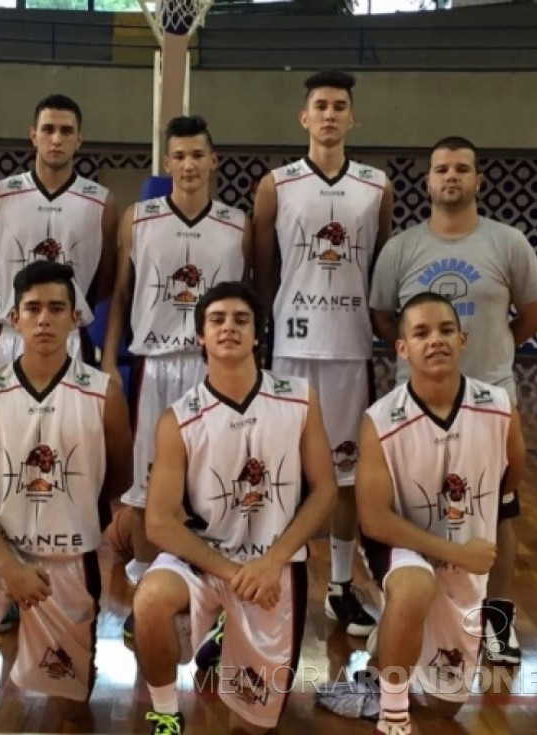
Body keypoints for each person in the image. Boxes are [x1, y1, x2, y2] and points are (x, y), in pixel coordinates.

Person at [0, 261, 133, 735]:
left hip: (68, 558)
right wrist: (10, 565)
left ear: (76, 318)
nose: (44, 319)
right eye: (32, 308)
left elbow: (117, 479)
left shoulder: (105, 395)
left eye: (56, 308)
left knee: (72, 713)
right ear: (13, 318)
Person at [369, 135, 537, 664]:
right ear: (428, 182)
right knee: (418, 508)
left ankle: (497, 621)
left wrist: (493, 353)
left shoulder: (508, 243)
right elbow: (383, 317)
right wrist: (424, 360)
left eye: (462, 169)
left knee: (497, 512)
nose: (451, 177)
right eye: (442, 169)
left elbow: (534, 312)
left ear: (477, 181)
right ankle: (410, 605)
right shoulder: (401, 247)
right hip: (416, 404)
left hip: (490, 400)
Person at [132, 281, 338, 735]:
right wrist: (234, 573)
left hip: (276, 565)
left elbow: (325, 491)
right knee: (148, 600)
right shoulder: (178, 418)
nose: (229, 328)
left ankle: (225, 636)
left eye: (241, 320)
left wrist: (273, 561)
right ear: (200, 336)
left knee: (253, 728)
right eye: (217, 320)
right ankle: (166, 712)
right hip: (206, 561)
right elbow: (160, 522)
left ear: (257, 334)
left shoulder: (300, 398)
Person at [317, 292, 525, 735]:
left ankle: (383, 652)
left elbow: (511, 478)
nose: (436, 340)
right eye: (421, 332)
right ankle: (393, 715)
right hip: (400, 545)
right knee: (415, 584)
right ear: (402, 348)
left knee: (446, 704)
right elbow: (373, 521)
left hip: (465, 562)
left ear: (463, 339)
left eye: (446, 330)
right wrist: (453, 550)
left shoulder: (500, 407)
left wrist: (468, 540)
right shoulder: (380, 419)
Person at [252, 69, 393, 635]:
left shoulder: (377, 185)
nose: (330, 115)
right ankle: (273, 573)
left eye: (339, 106)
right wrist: (273, 318)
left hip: (349, 345)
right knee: (279, 468)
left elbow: (379, 264)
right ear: (304, 118)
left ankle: (338, 586)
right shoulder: (277, 184)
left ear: (351, 118)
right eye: (320, 106)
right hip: (291, 344)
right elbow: (262, 267)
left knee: (345, 475)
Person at [102, 115, 251, 590]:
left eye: (197, 155)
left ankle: (213, 581)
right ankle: (146, 579)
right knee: (147, 485)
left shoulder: (236, 224)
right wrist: (108, 358)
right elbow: (121, 295)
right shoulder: (138, 219)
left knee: (219, 476)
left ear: (214, 160)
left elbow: (246, 298)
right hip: (154, 364)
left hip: (214, 366)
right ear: (167, 162)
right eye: (180, 156)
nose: (189, 165)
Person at [0, 93, 118, 368]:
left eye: (66, 131)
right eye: (48, 129)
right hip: (11, 336)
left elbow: (105, 279)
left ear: (79, 139)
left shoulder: (101, 202)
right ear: (33, 135)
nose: (56, 139)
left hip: (71, 336)